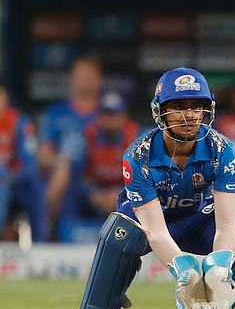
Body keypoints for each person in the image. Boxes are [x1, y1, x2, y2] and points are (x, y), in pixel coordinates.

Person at [73, 67, 235, 309]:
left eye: (197, 106)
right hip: (151, 223)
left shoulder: (222, 150)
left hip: (199, 218)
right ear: (159, 111)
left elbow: (227, 223)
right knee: (120, 232)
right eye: (178, 107)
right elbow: (156, 231)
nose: (189, 116)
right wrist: (185, 269)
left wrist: (220, 268)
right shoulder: (138, 156)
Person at [57, 91, 141, 242]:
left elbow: (143, 176)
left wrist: (120, 193)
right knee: (66, 188)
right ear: (99, 117)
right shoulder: (85, 136)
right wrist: (92, 193)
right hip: (93, 193)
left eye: (114, 115)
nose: (110, 120)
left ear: (123, 116)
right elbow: (74, 173)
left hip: (125, 193)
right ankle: (65, 236)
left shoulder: (137, 137)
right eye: (106, 115)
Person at [38, 56, 102, 241]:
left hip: (99, 175)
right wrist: (62, 160)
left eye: (90, 77)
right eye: (81, 77)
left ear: (99, 80)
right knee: (63, 171)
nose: (85, 82)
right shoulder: (56, 112)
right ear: (72, 79)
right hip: (66, 179)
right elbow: (42, 155)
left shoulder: (108, 112)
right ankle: (47, 235)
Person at [0, 83, 45, 242]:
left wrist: (9, 178)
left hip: (14, 182)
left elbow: (30, 166)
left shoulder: (18, 122)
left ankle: (40, 247)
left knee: (36, 190)